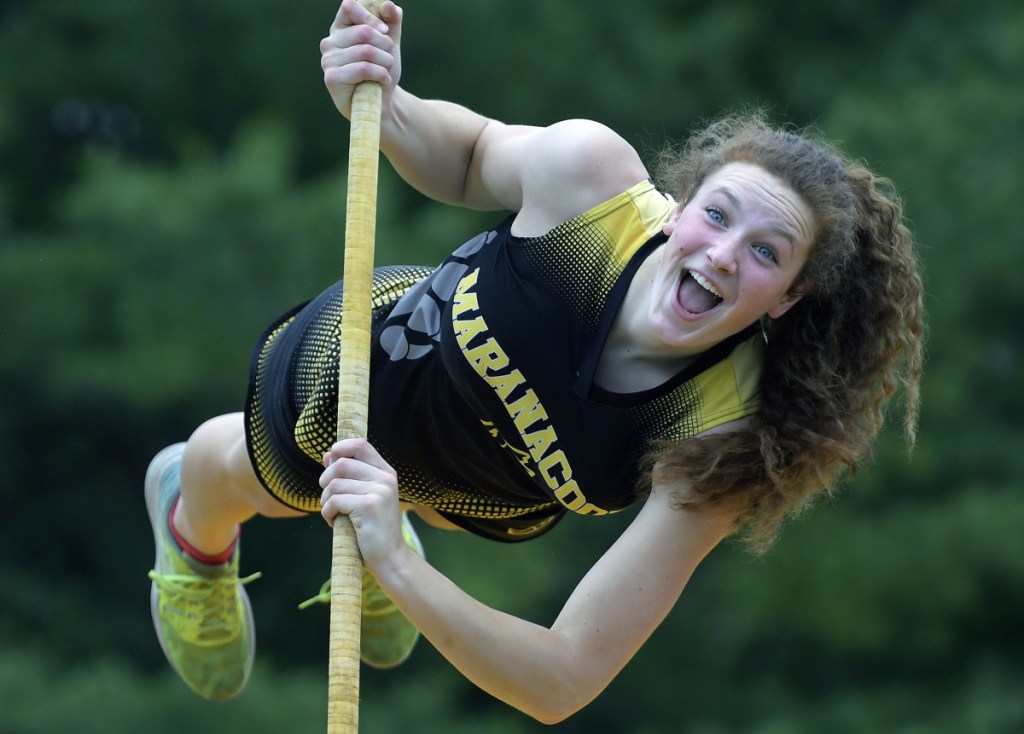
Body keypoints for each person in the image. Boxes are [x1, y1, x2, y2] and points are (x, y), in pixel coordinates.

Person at [145, 0, 925, 723]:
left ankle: (392, 529)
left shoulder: (723, 434)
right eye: (717, 216)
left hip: (483, 505)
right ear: (681, 206)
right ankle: (189, 528)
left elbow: (565, 677)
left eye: (765, 252)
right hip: (358, 382)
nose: (722, 255)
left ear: (786, 299)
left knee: (402, 515)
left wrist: (397, 565)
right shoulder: (590, 184)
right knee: (254, 479)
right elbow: (470, 156)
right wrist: (384, 97)